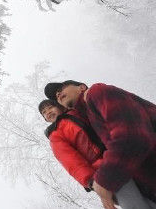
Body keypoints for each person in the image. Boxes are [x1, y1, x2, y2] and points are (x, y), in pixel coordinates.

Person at [44, 80, 156, 209]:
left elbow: (131, 136)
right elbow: (71, 162)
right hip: (138, 178)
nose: (58, 94)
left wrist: (103, 181)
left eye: (62, 88)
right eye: (56, 96)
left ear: (81, 87)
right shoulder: (86, 118)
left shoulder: (96, 93)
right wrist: (92, 182)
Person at [39, 99, 104, 191]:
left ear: (60, 107)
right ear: (45, 119)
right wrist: (90, 180)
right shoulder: (55, 135)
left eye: (50, 107)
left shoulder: (77, 112)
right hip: (102, 168)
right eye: (44, 112)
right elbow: (70, 160)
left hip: (120, 149)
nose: (48, 112)